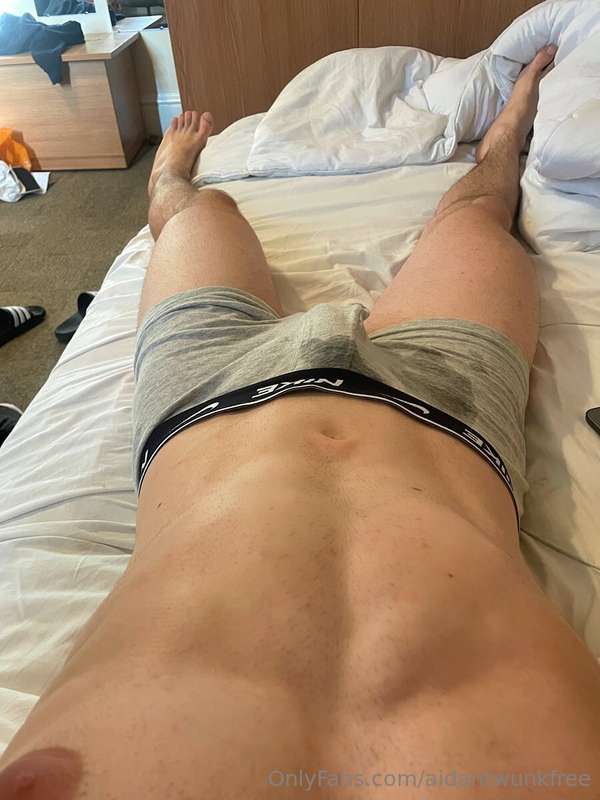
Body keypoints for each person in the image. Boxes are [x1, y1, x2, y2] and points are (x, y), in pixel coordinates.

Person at [1, 45, 599, 799]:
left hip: (204, 398)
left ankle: (170, 176)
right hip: (452, 411)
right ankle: (510, 124)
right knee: (478, 218)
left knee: (199, 213)